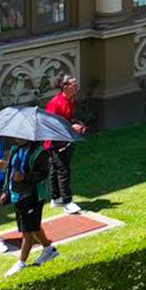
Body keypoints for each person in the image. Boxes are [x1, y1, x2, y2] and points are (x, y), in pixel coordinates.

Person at [4, 140, 60, 277]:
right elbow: (9, 171)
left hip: (33, 196)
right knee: (33, 226)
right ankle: (49, 250)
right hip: (18, 195)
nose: (16, 138)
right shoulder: (15, 150)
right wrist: (5, 191)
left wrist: (24, 176)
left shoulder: (41, 153)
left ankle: (21, 263)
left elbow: (43, 174)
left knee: (27, 232)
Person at [45, 73, 87, 215]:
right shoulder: (55, 103)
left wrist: (76, 124)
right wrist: (71, 127)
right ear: (65, 87)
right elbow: (51, 124)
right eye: (73, 84)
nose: (76, 86)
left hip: (65, 140)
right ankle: (67, 202)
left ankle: (55, 198)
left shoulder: (70, 100)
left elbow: (67, 118)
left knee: (55, 169)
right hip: (55, 143)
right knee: (63, 170)